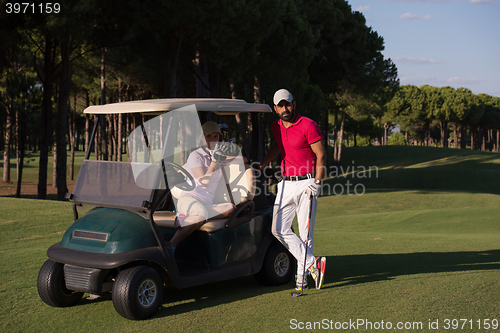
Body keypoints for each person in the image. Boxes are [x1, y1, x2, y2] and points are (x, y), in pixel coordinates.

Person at [259, 89, 327, 292]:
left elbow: (321, 154)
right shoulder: (276, 126)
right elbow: (276, 147)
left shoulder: (308, 124)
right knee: (278, 229)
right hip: (286, 183)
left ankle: (301, 280)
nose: (285, 108)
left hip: (307, 182)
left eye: (287, 104)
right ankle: (313, 264)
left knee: (306, 234)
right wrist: (262, 165)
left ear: (293, 104)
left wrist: (318, 182)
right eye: (280, 105)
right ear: (275, 108)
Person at [168, 121, 235, 251]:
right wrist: (214, 162)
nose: (213, 139)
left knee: (230, 208)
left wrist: (234, 157)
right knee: (200, 214)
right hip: (190, 198)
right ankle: (170, 246)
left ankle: (185, 217)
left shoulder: (217, 155)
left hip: (206, 203)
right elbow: (205, 181)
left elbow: (242, 159)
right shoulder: (196, 156)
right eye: (209, 136)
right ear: (202, 138)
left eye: (216, 136)